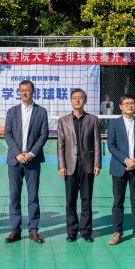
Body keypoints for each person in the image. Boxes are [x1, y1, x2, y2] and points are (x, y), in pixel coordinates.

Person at [4, 80, 49, 243]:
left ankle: (33, 230)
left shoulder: (41, 111)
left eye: (28, 90)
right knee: (14, 196)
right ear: (19, 92)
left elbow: (44, 134)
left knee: (33, 196)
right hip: (15, 161)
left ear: (33, 91)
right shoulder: (12, 111)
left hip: (32, 161)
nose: (25, 92)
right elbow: (7, 133)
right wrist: (17, 153)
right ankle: (15, 229)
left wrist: (31, 153)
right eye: (22, 90)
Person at [106, 94, 135, 246]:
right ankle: (117, 232)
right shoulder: (114, 124)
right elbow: (111, 145)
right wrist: (126, 160)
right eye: (126, 103)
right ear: (120, 106)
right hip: (119, 167)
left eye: (132, 103)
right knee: (118, 201)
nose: (129, 105)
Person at [57, 88, 101, 242]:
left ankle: (86, 232)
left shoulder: (92, 119)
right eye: (74, 97)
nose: (77, 100)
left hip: (87, 165)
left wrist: (97, 163)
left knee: (86, 200)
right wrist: (61, 165)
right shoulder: (63, 120)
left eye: (80, 97)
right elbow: (60, 145)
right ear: (71, 100)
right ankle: (72, 232)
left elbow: (97, 143)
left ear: (85, 100)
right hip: (70, 165)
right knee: (70, 201)